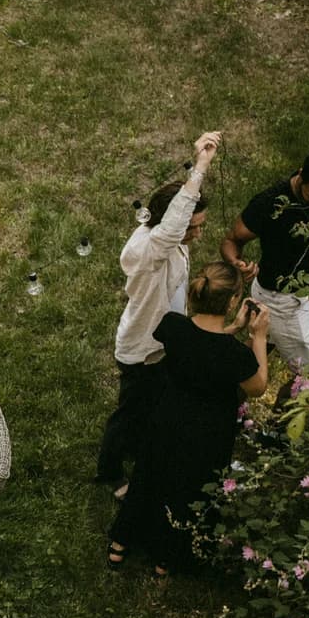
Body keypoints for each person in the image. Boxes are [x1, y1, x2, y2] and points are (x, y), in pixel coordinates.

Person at [108, 263, 271, 575]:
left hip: (166, 418)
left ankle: (120, 544)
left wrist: (232, 328)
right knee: (188, 488)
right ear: (233, 302)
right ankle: (164, 558)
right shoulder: (234, 356)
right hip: (206, 433)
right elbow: (258, 386)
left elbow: (201, 343)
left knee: (150, 476)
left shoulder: (172, 326)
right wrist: (258, 336)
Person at [95, 131, 220, 494]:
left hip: (165, 341)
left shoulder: (169, 244)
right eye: (191, 228)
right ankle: (110, 468)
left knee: (155, 402)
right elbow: (174, 228)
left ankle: (139, 444)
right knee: (129, 411)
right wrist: (201, 166)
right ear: (172, 223)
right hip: (141, 349)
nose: (196, 234)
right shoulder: (151, 250)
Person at [219, 144, 309, 373]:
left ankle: (226, 402)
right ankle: (284, 409)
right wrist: (236, 263)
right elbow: (231, 240)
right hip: (280, 299)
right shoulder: (270, 204)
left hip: (301, 291)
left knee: (250, 360)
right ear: (301, 174)